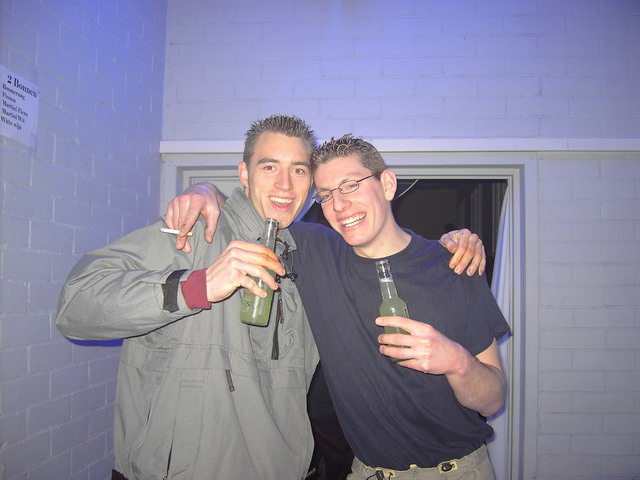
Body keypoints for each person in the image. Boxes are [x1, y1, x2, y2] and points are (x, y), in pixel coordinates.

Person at [166, 135, 510, 479]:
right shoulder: (314, 251)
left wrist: (455, 361)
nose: (340, 205)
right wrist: (205, 190)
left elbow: (492, 400)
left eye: (350, 186)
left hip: (456, 471)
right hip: (367, 472)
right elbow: (252, 210)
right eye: (327, 195)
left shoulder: (453, 266)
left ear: (387, 184)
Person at [56, 115, 321, 480]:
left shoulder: (306, 257)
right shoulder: (195, 232)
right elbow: (75, 304)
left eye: (298, 170)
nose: (285, 184)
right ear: (244, 174)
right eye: (270, 166)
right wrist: (198, 286)